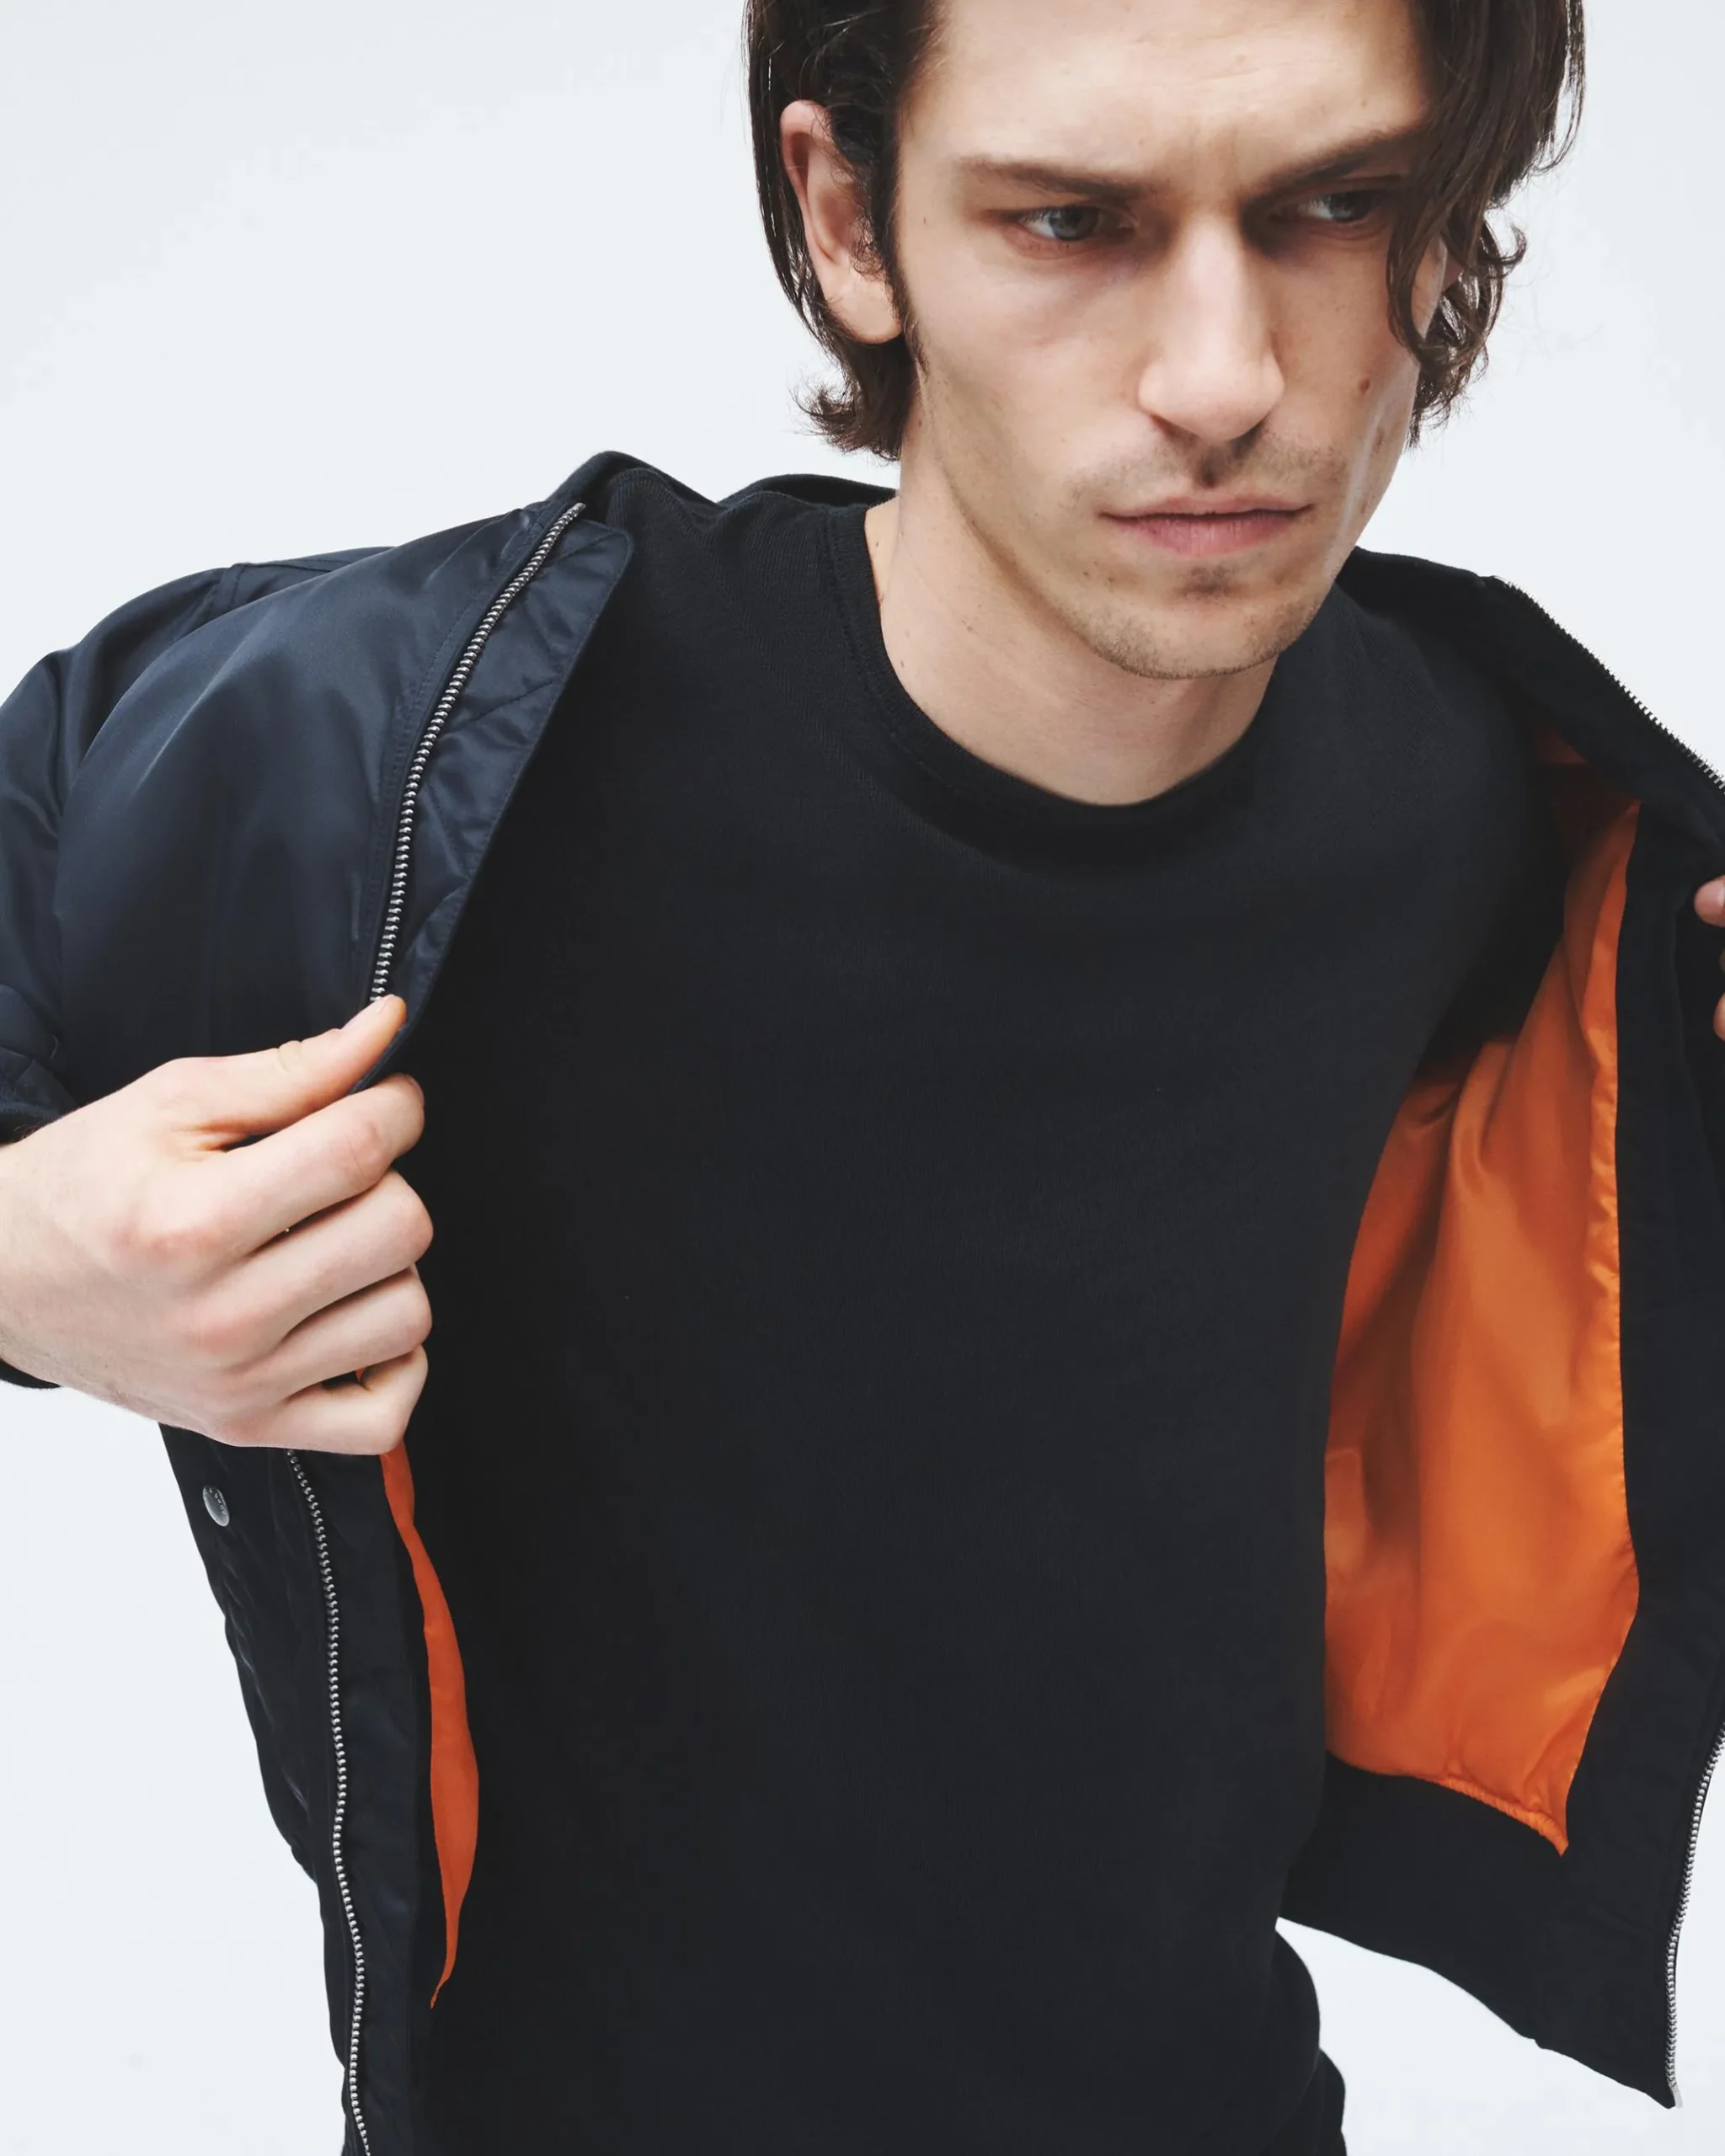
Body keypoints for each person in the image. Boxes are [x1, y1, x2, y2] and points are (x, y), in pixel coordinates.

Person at [2, 0, 1722, 2149]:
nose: (1222, 378)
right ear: (847, 217)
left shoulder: (1472, 793)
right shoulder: (438, 751)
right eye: (1074, 221)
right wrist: (18, 1259)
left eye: (1336, 204)